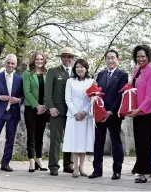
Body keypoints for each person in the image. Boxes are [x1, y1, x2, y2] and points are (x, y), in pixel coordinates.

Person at [88, 49, 128, 180]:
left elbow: (121, 94)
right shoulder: (101, 74)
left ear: (117, 59)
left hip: (113, 113)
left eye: (113, 58)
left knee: (115, 141)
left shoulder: (122, 75)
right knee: (98, 141)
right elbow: (98, 92)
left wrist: (111, 111)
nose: (110, 60)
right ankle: (97, 169)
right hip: (100, 113)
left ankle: (117, 170)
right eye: (108, 58)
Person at [128, 45, 151, 183]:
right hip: (136, 114)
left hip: (147, 113)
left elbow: (150, 96)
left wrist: (138, 110)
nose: (140, 59)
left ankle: (147, 173)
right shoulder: (136, 70)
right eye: (138, 56)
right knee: (139, 144)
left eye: (143, 56)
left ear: (148, 57)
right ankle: (141, 169)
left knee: (146, 144)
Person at [45, 47, 76, 176]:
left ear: (72, 58)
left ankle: (68, 164)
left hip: (72, 112)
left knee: (70, 139)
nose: (66, 59)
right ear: (61, 58)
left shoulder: (76, 72)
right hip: (57, 111)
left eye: (69, 57)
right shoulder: (53, 71)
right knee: (55, 139)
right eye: (64, 56)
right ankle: (53, 166)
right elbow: (47, 92)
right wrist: (51, 107)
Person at [63, 59, 95, 178]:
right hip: (73, 116)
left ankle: (82, 166)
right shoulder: (70, 81)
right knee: (75, 141)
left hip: (86, 116)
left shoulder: (91, 81)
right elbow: (68, 99)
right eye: (77, 67)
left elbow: (92, 99)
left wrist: (84, 112)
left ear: (86, 68)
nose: (79, 69)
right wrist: (76, 112)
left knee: (83, 141)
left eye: (82, 67)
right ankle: (75, 166)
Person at [0, 54, 24, 171]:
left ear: (15, 65)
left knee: (10, 138)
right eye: (8, 63)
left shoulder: (20, 79)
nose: (10, 65)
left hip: (13, 112)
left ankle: (5, 163)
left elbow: (24, 95)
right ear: (5, 63)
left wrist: (19, 100)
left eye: (13, 63)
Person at [23, 52, 49, 172]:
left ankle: (39, 158)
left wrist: (43, 107)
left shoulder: (47, 74)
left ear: (44, 60)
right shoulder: (28, 74)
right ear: (33, 60)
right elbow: (27, 92)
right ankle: (31, 161)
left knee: (40, 135)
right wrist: (37, 106)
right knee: (31, 135)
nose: (39, 61)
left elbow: (49, 92)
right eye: (37, 59)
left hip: (43, 109)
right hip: (31, 108)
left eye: (41, 59)